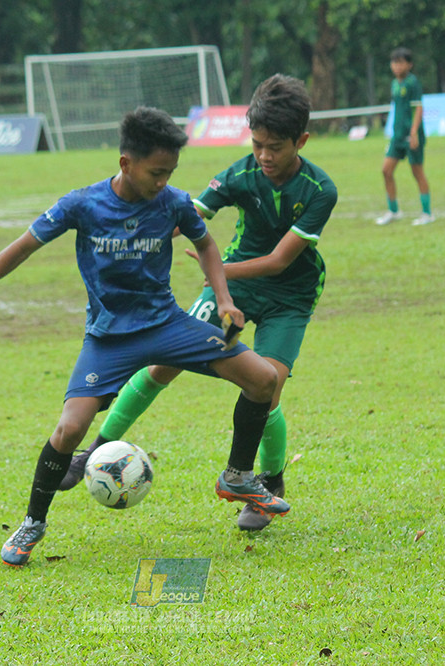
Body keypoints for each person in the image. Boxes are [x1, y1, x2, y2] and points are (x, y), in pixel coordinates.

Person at [0, 107, 285, 567]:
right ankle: (33, 524)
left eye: (170, 173)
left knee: (263, 379)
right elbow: (23, 246)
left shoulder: (174, 202)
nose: (163, 182)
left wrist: (222, 299)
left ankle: (238, 476)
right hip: (109, 338)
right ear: (126, 163)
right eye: (156, 172)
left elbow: (205, 244)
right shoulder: (82, 204)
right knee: (69, 429)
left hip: (168, 325)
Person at [58, 74, 338, 532]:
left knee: (268, 385)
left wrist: (217, 271)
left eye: (276, 147)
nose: (264, 156)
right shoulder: (240, 174)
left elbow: (278, 260)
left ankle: (268, 482)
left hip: (291, 294)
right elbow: (178, 217)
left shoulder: (319, 190)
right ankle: (96, 449)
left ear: (301, 141)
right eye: (257, 143)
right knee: (162, 366)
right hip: (233, 290)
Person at [376, 47, 434, 226]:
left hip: (411, 135)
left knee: (417, 172)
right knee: (386, 170)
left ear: (409, 64)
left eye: (401, 62)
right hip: (397, 136)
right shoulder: (395, 84)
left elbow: (418, 108)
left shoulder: (412, 83)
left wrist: (414, 132)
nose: (397, 66)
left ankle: (427, 214)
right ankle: (394, 211)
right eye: (394, 62)